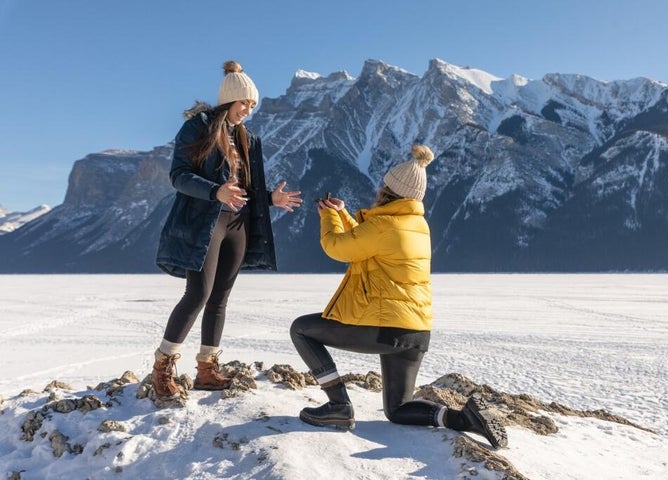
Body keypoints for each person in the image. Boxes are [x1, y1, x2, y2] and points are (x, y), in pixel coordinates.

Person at [289, 145, 508, 448]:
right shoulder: (417, 225)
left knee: (301, 329)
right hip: (415, 331)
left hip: (385, 328)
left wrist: (329, 217)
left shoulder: (384, 225)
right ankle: (463, 418)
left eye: (383, 186)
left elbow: (339, 248)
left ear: (388, 191)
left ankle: (338, 406)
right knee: (399, 409)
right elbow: (368, 244)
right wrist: (342, 213)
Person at [153, 60, 302, 400]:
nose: (249, 110)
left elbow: (246, 188)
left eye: (253, 105)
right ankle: (162, 365)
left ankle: (207, 369)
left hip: (238, 224)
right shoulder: (199, 128)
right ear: (229, 100)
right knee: (198, 294)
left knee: (220, 299)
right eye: (244, 103)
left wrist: (270, 198)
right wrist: (214, 191)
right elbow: (178, 176)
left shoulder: (248, 138)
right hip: (204, 223)